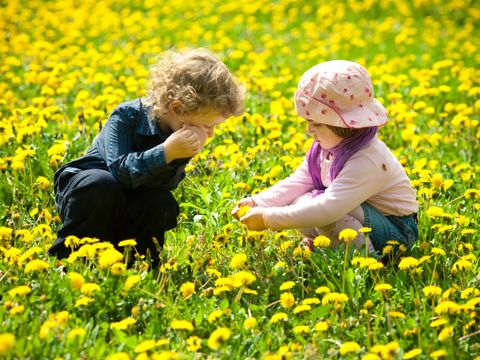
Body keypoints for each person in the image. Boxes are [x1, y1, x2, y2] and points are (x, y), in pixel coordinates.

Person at [49, 49, 244, 266]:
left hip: (129, 199)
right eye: (207, 126)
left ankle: (141, 263)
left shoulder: (180, 135)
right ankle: (67, 259)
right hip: (89, 191)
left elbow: (165, 184)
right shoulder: (126, 115)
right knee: (103, 184)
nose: (210, 135)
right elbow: (121, 171)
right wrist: (166, 152)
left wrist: (178, 157)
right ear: (177, 108)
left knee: (159, 202)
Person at [233, 60, 418, 257]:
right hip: (363, 215)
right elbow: (300, 181)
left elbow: (329, 208)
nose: (308, 131)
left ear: (343, 125)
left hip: (396, 232)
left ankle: (367, 261)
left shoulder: (367, 160)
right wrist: (259, 203)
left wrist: (269, 218)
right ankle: (328, 247)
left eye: (316, 124)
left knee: (323, 211)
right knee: (302, 200)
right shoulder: (328, 145)